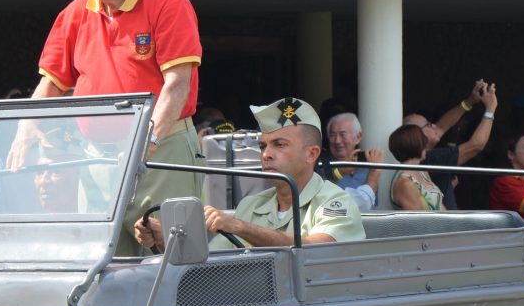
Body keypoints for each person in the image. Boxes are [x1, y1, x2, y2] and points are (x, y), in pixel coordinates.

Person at [21, 0, 204, 254]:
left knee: (173, 259)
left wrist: (147, 142)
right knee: (100, 261)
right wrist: (25, 127)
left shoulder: (168, 1)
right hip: (95, 157)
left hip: (160, 150)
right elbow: (50, 85)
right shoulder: (76, 11)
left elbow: (177, 84)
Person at [135, 98, 364, 251]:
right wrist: (165, 241)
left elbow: (316, 251)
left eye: (280, 145)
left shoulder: (334, 201)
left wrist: (242, 228)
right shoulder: (253, 205)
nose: (266, 155)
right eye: (263, 146)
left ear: (312, 154)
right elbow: (209, 263)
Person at [403, 81, 497, 210]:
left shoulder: (423, 155)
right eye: (428, 124)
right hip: (445, 225)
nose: (435, 125)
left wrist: (469, 102)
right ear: (418, 135)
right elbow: (476, 145)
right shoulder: (431, 158)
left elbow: (442, 126)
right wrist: (490, 109)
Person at [323, 112, 387, 212]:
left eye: (342, 135)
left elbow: (371, 207)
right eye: (332, 135)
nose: (337, 141)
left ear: (358, 137)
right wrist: (339, 173)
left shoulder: (367, 168)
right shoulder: (320, 167)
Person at [388, 124, 445, 212]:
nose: (426, 144)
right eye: (423, 140)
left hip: (443, 224)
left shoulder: (422, 172)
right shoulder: (405, 183)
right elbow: (417, 223)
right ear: (414, 144)